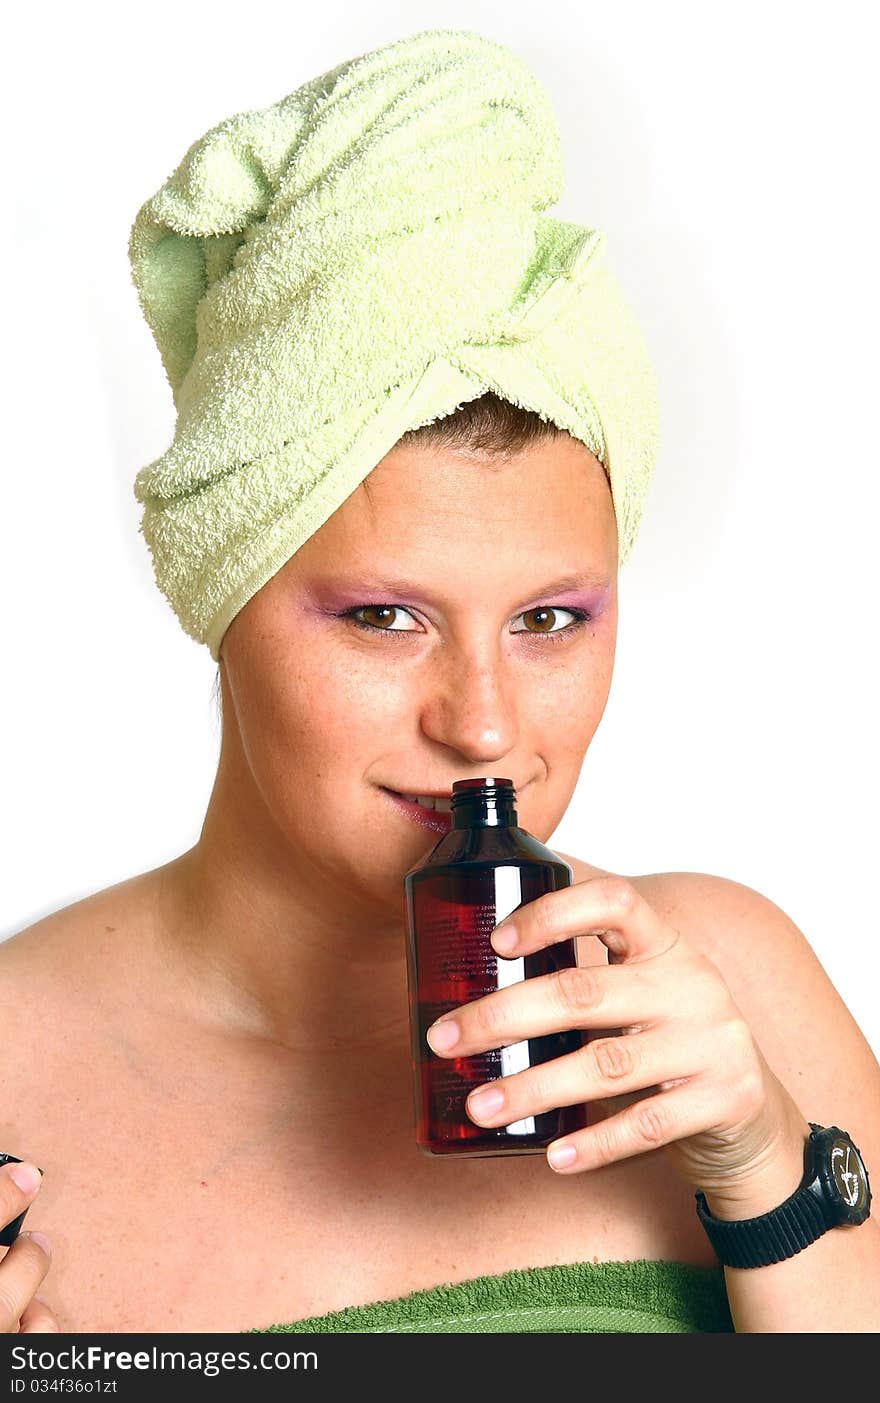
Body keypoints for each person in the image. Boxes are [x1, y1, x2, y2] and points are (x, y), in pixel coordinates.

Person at [2, 31, 878, 1335]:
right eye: (382, 616)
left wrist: (766, 1177)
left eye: (549, 619)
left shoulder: (728, 998)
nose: (480, 723)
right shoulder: (15, 1076)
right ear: (221, 598)